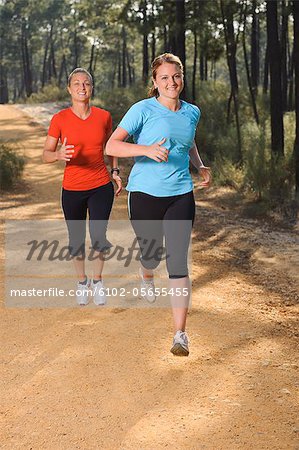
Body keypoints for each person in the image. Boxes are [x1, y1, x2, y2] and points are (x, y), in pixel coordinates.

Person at [106, 53, 211, 356]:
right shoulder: (142, 109)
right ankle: (146, 273)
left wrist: (200, 166)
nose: (171, 82)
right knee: (151, 255)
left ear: (182, 77)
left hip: (180, 193)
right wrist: (146, 149)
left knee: (177, 262)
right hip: (145, 193)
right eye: (164, 78)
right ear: (154, 82)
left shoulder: (192, 112)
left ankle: (180, 334)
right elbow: (111, 145)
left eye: (176, 76)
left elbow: (187, 141)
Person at [43, 68, 122, 306]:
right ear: (69, 89)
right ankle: (81, 281)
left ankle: (97, 281)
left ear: (92, 87)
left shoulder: (104, 116)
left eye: (86, 83)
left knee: (99, 236)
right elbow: (45, 154)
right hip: (72, 188)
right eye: (76, 83)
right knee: (75, 239)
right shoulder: (59, 119)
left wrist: (115, 171)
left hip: (100, 185)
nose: (82, 87)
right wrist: (57, 154)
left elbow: (112, 147)